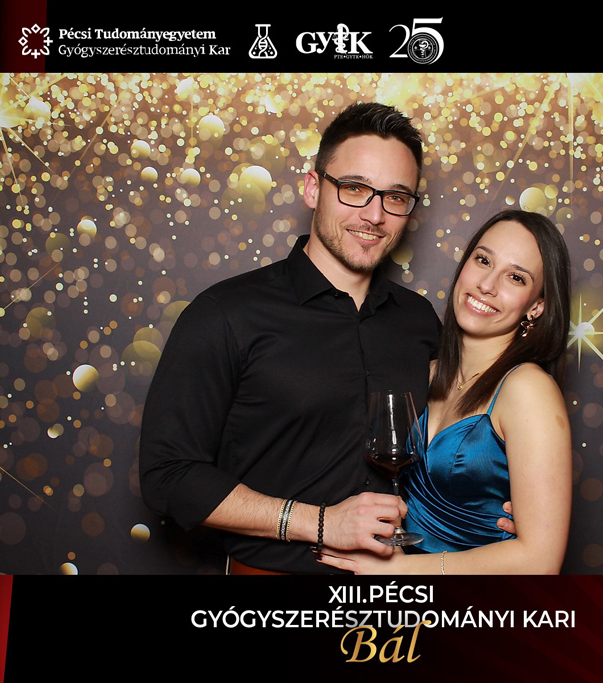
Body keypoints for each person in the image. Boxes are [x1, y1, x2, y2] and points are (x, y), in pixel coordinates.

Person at [139, 102, 443, 574]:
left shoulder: (419, 320)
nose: (375, 215)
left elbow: (452, 438)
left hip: (402, 585)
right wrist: (320, 523)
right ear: (312, 188)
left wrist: (489, 507)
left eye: (396, 197)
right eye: (355, 188)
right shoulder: (226, 314)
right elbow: (168, 475)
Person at [318, 209, 573, 574]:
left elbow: (541, 562)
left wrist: (399, 571)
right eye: (483, 260)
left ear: (537, 306)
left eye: (516, 277)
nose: (487, 284)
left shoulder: (528, 389)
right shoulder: (425, 371)